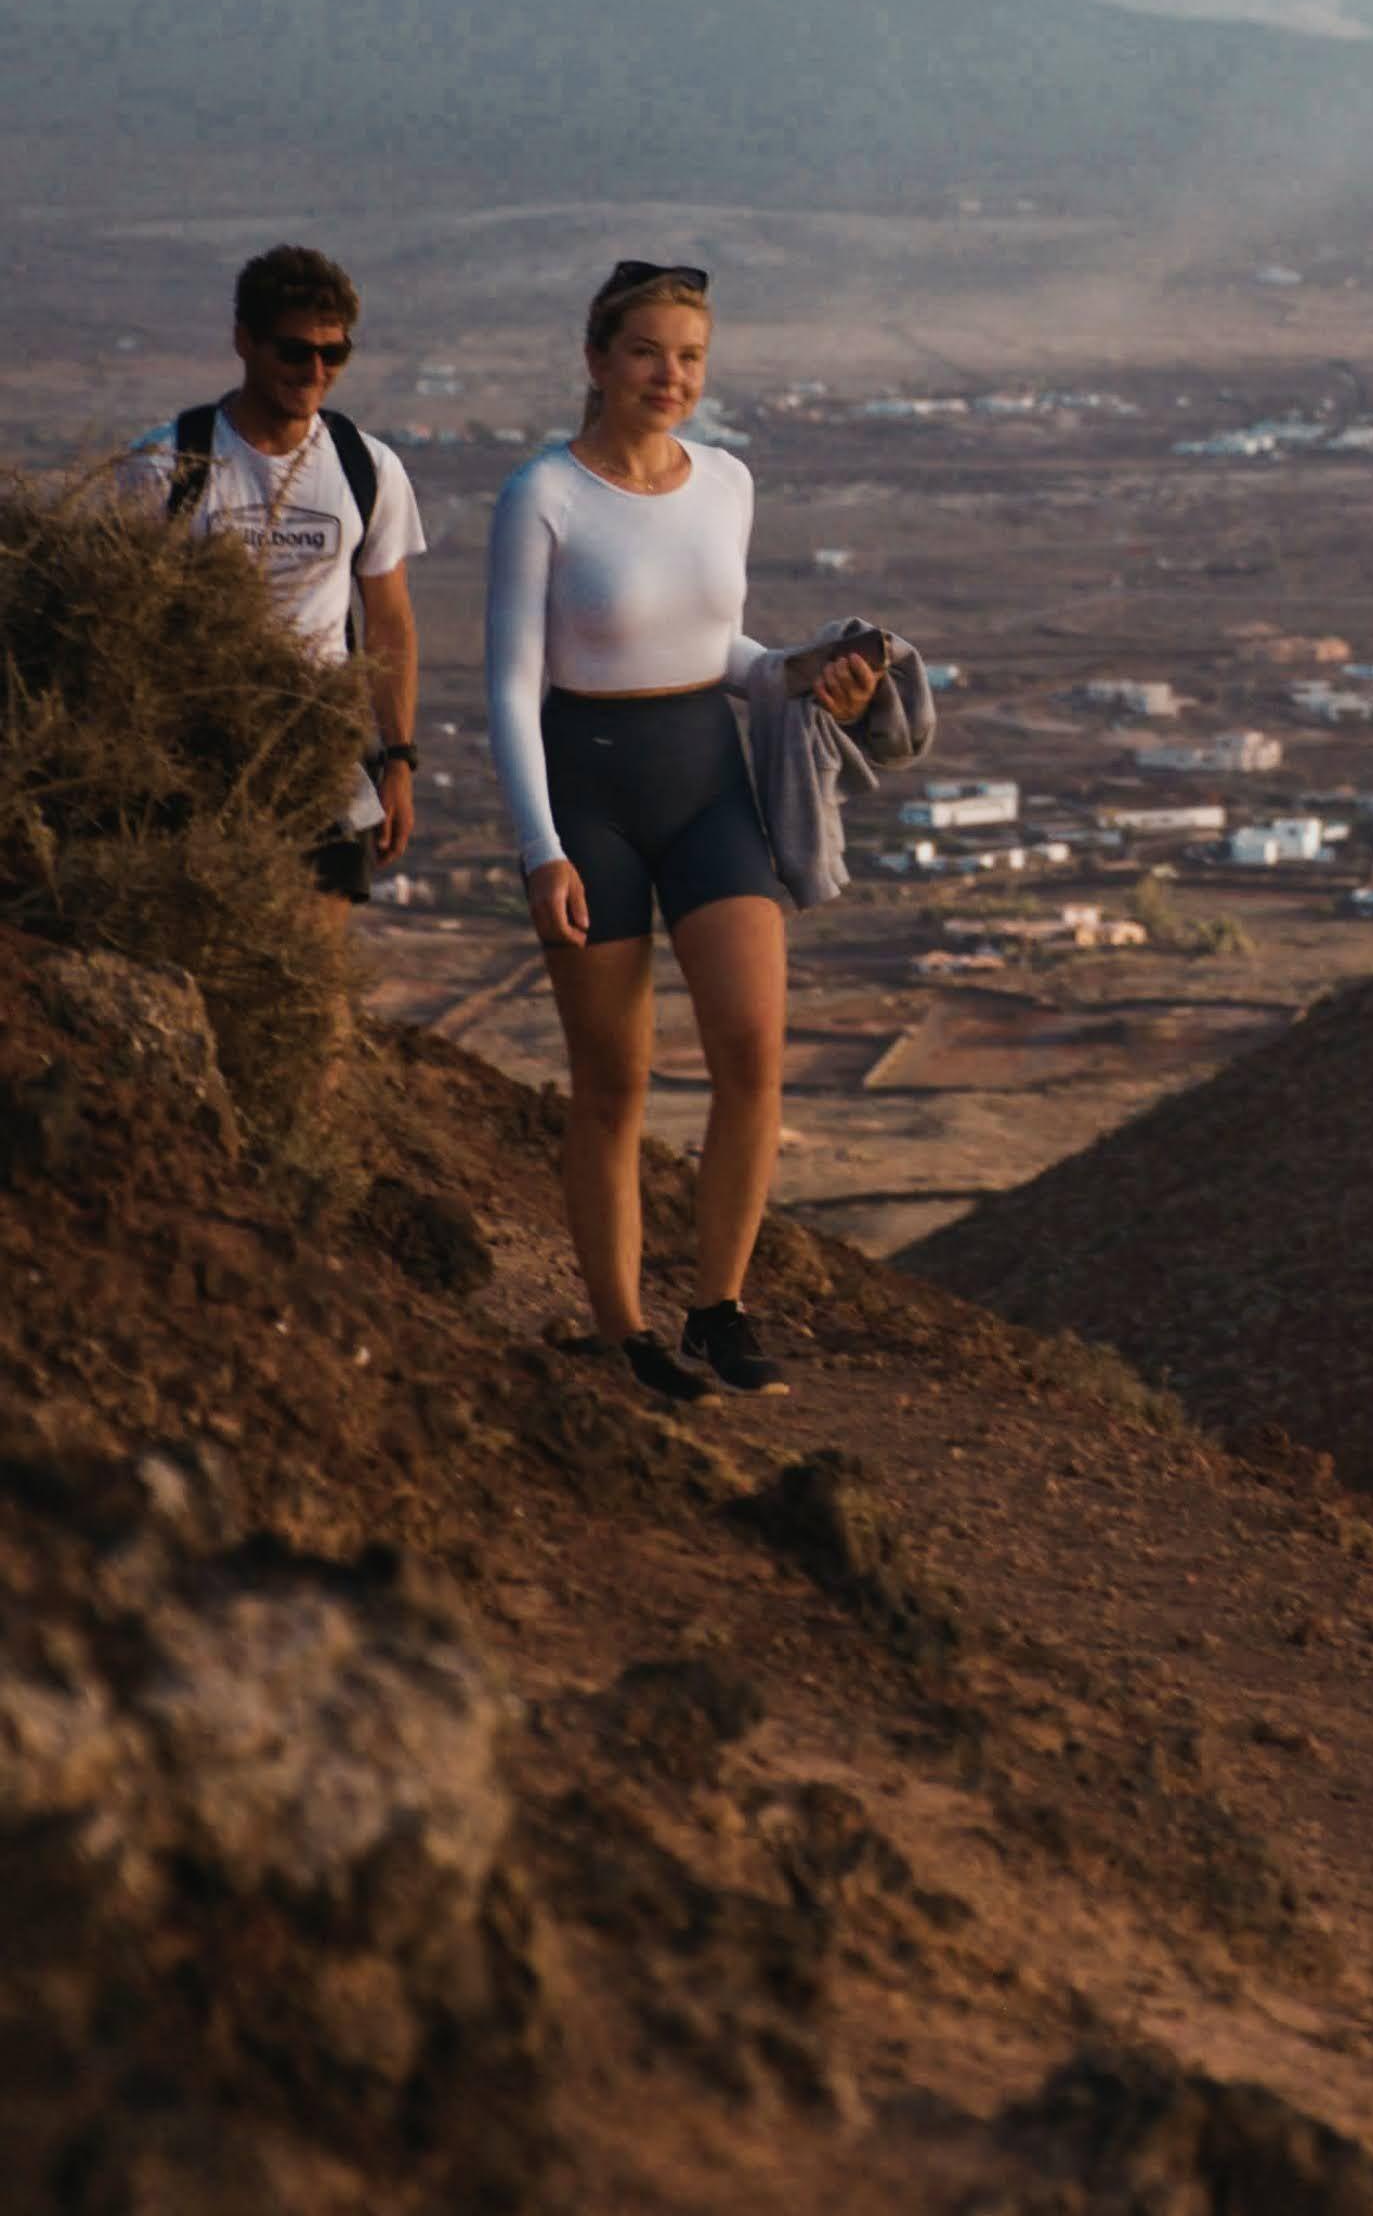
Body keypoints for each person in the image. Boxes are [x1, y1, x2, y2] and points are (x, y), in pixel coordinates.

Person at [485, 258, 881, 1408]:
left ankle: (718, 1307)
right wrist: (537, 844)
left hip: (710, 787)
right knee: (613, 1081)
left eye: (691, 355)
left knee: (753, 1055)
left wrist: (802, 674)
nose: (672, 374)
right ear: (598, 360)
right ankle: (622, 1330)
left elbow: (720, 651)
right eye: (649, 350)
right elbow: (511, 685)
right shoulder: (542, 494)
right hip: (588, 795)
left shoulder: (727, 482)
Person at [125, 241, 425, 901]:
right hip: (195, 755)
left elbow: (390, 623)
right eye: (293, 350)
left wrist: (398, 759)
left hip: (322, 754)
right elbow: (122, 627)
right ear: (245, 341)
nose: (314, 369)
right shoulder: (165, 465)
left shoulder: (367, 468)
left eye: (333, 353)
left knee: (312, 963)